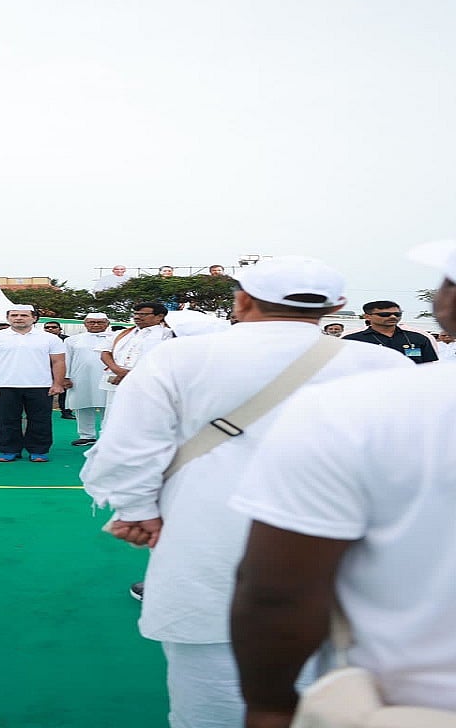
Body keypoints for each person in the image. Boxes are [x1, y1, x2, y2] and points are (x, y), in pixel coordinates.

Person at [79, 256, 411, 728]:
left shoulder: (179, 358)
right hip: (346, 552)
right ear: (337, 306)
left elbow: (130, 447)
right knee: (346, 696)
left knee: (213, 696)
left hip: (207, 541)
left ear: (243, 300)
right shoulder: (385, 363)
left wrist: (138, 510)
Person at [230, 240, 456, 726]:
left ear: (446, 302)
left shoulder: (353, 406)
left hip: (410, 707)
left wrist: (269, 705)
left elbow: (278, 594)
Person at [0, 306, 66, 463]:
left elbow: (58, 361)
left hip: (40, 385)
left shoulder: (49, 338)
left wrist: (58, 383)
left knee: (40, 420)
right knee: (7, 420)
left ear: (34, 318)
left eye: (24, 315)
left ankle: (39, 451)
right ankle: (8, 450)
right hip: (4, 386)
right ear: (8, 318)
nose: (19, 318)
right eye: (14, 315)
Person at [99, 302, 173, 417]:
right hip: (117, 378)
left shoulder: (169, 334)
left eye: (143, 314)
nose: (137, 317)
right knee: (113, 413)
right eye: (135, 314)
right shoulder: (123, 333)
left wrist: (131, 375)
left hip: (148, 382)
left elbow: (165, 359)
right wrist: (118, 371)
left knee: (140, 415)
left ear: (160, 316)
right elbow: (105, 353)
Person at [63, 313, 111, 446]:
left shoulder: (116, 338)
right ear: (85, 324)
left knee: (108, 407)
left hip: (108, 377)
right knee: (81, 405)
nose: (96, 325)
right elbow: (67, 359)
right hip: (80, 377)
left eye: (100, 322)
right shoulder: (72, 340)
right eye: (92, 322)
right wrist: (65, 377)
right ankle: (86, 435)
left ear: (107, 324)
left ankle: (107, 436)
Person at [342, 300, 438, 362]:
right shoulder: (352, 340)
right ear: (367, 316)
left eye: (397, 314)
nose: (393, 317)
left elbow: (428, 365)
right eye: (385, 314)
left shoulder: (418, 338)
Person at [43, 321, 74, 419]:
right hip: (44, 369)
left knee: (64, 391)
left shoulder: (68, 340)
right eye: (47, 327)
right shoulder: (39, 339)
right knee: (44, 393)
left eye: (53, 327)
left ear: (60, 329)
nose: (50, 329)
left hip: (62, 368)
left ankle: (66, 412)